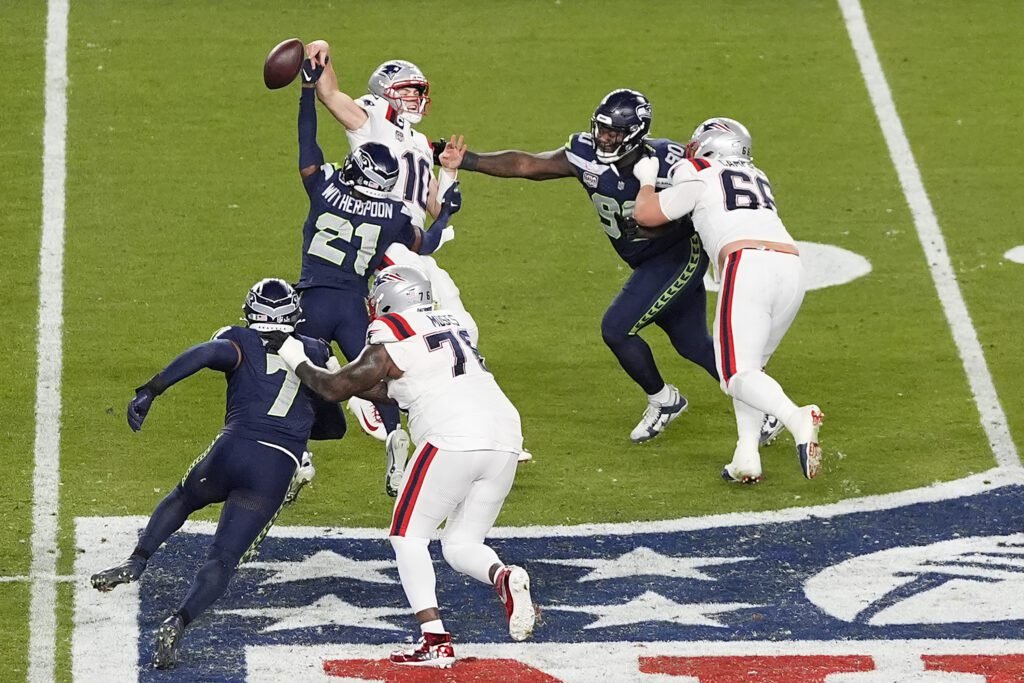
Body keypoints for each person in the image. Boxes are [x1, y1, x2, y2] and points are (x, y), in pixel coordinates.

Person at [269, 264, 535, 668]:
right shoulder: (452, 323)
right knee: (462, 543)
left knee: (407, 536)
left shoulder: (392, 330)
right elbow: (408, 385)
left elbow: (334, 388)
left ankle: (435, 640)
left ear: (391, 300)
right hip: (506, 436)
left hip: (452, 435)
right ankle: (503, 576)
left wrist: (294, 355)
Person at [89, 279, 348, 669]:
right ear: (295, 315)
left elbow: (207, 353)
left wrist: (151, 390)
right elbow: (335, 428)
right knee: (222, 559)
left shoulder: (238, 338)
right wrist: (297, 422)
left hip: (233, 446)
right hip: (275, 465)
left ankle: (137, 561)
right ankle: (178, 622)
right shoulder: (314, 352)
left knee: (182, 497)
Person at [445, 89, 718, 444]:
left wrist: (661, 225)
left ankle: (664, 400)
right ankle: (763, 406)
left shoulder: (667, 160)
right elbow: (529, 165)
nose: (603, 138)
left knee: (617, 328)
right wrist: (469, 160)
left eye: (613, 133)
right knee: (692, 342)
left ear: (636, 134)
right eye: (601, 130)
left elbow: (702, 201)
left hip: (677, 255)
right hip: (647, 260)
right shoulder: (585, 153)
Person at [301, 42, 491, 443]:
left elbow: (438, 206)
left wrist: (452, 175)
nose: (417, 98)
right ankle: (423, 401)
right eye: (408, 89)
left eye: (419, 91)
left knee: (446, 311)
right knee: (441, 309)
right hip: (381, 236)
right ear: (386, 90)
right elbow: (330, 93)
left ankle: (455, 399)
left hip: (408, 238)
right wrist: (322, 52)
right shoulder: (373, 115)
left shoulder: (421, 144)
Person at [631, 117, 824, 482]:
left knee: (735, 374)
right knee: (752, 368)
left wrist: (645, 178)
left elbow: (647, 214)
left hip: (747, 263)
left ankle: (796, 416)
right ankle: (746, 456)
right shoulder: (758, 174)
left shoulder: (698, 167)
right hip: (791, 267)